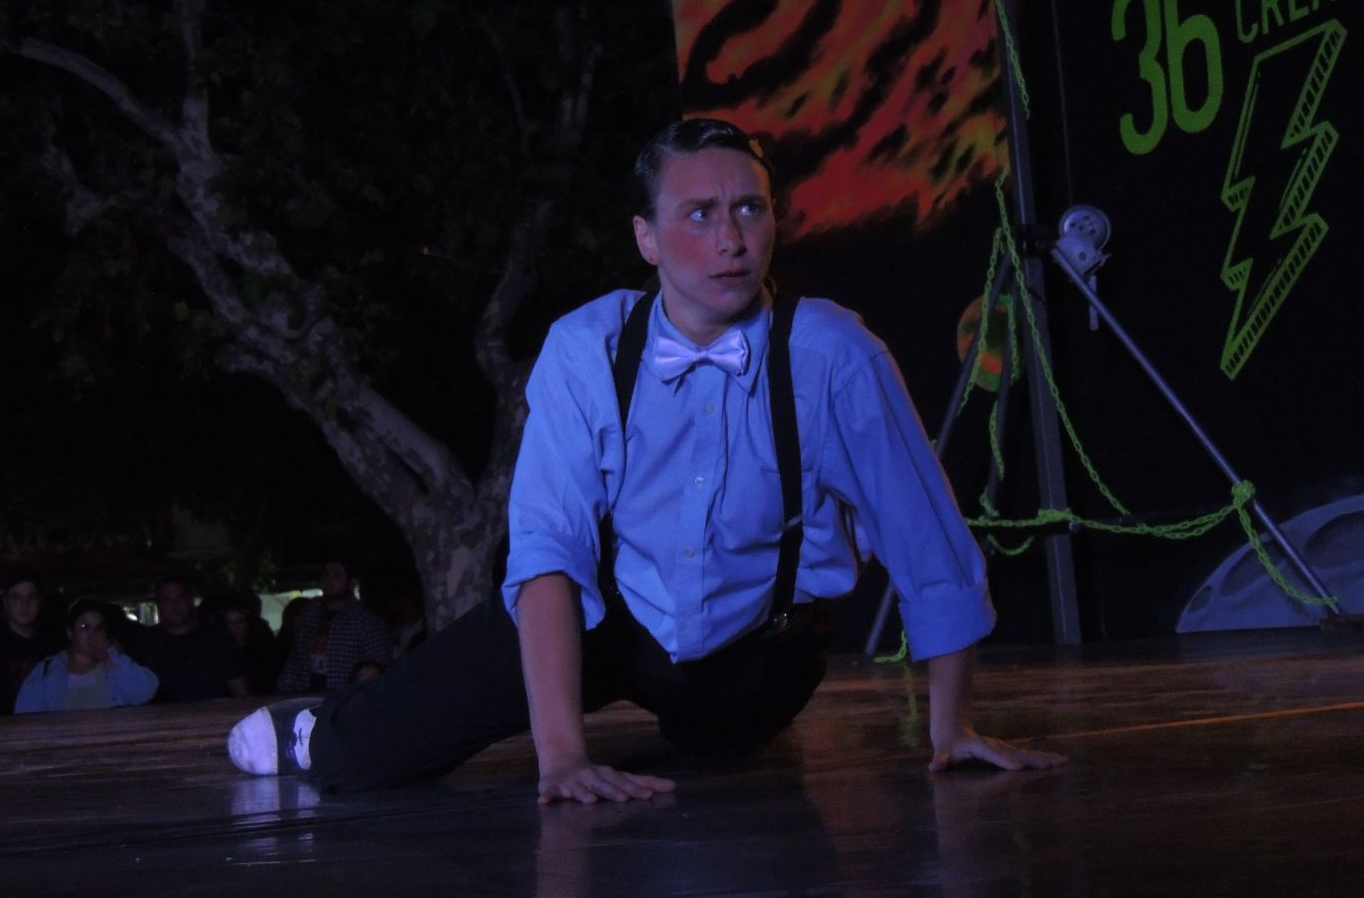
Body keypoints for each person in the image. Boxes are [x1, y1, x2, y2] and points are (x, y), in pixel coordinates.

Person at [227, 119, 1066, 798]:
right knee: (388, 745)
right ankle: (321, 730)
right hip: (609, 622)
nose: (731, 238)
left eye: (749, 208)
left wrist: (950, 726)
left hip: (759, 657)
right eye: (699, 214)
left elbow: (929, 544)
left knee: (718, 768)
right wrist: (563, 755)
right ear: (647, 238)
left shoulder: (833, 357)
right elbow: (549, 550)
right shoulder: (585, 348)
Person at [14, 598, 158, 713]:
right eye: (84, 627)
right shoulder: (47, 670)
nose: (92, 634)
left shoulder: (115, 664)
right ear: (70, 632)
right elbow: (25, 713)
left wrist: (110, 658)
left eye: (98, 628)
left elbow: (145, 691)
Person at [274, 558, 393, 693]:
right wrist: (282, 692)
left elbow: (378, 665)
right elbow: (296, 660)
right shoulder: (309, 614)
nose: (329, 579)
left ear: (352, 583)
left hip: (344, 698)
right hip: (305, 696)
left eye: (336, 575)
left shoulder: (366, 621)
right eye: (326, 574)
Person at [126, 575, 250, 702]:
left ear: (190, 600)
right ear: (159, 604)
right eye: (167, 600)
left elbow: (240, 691)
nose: (175, 605)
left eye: (180, 598)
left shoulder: (217, 639)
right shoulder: (144, 642)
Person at [0, 571, 65, 715]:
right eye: (16, 597)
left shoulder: (54, 644)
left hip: (45, 722)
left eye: (31, 597)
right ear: (5, 602)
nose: (24, 604)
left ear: (40, 601)